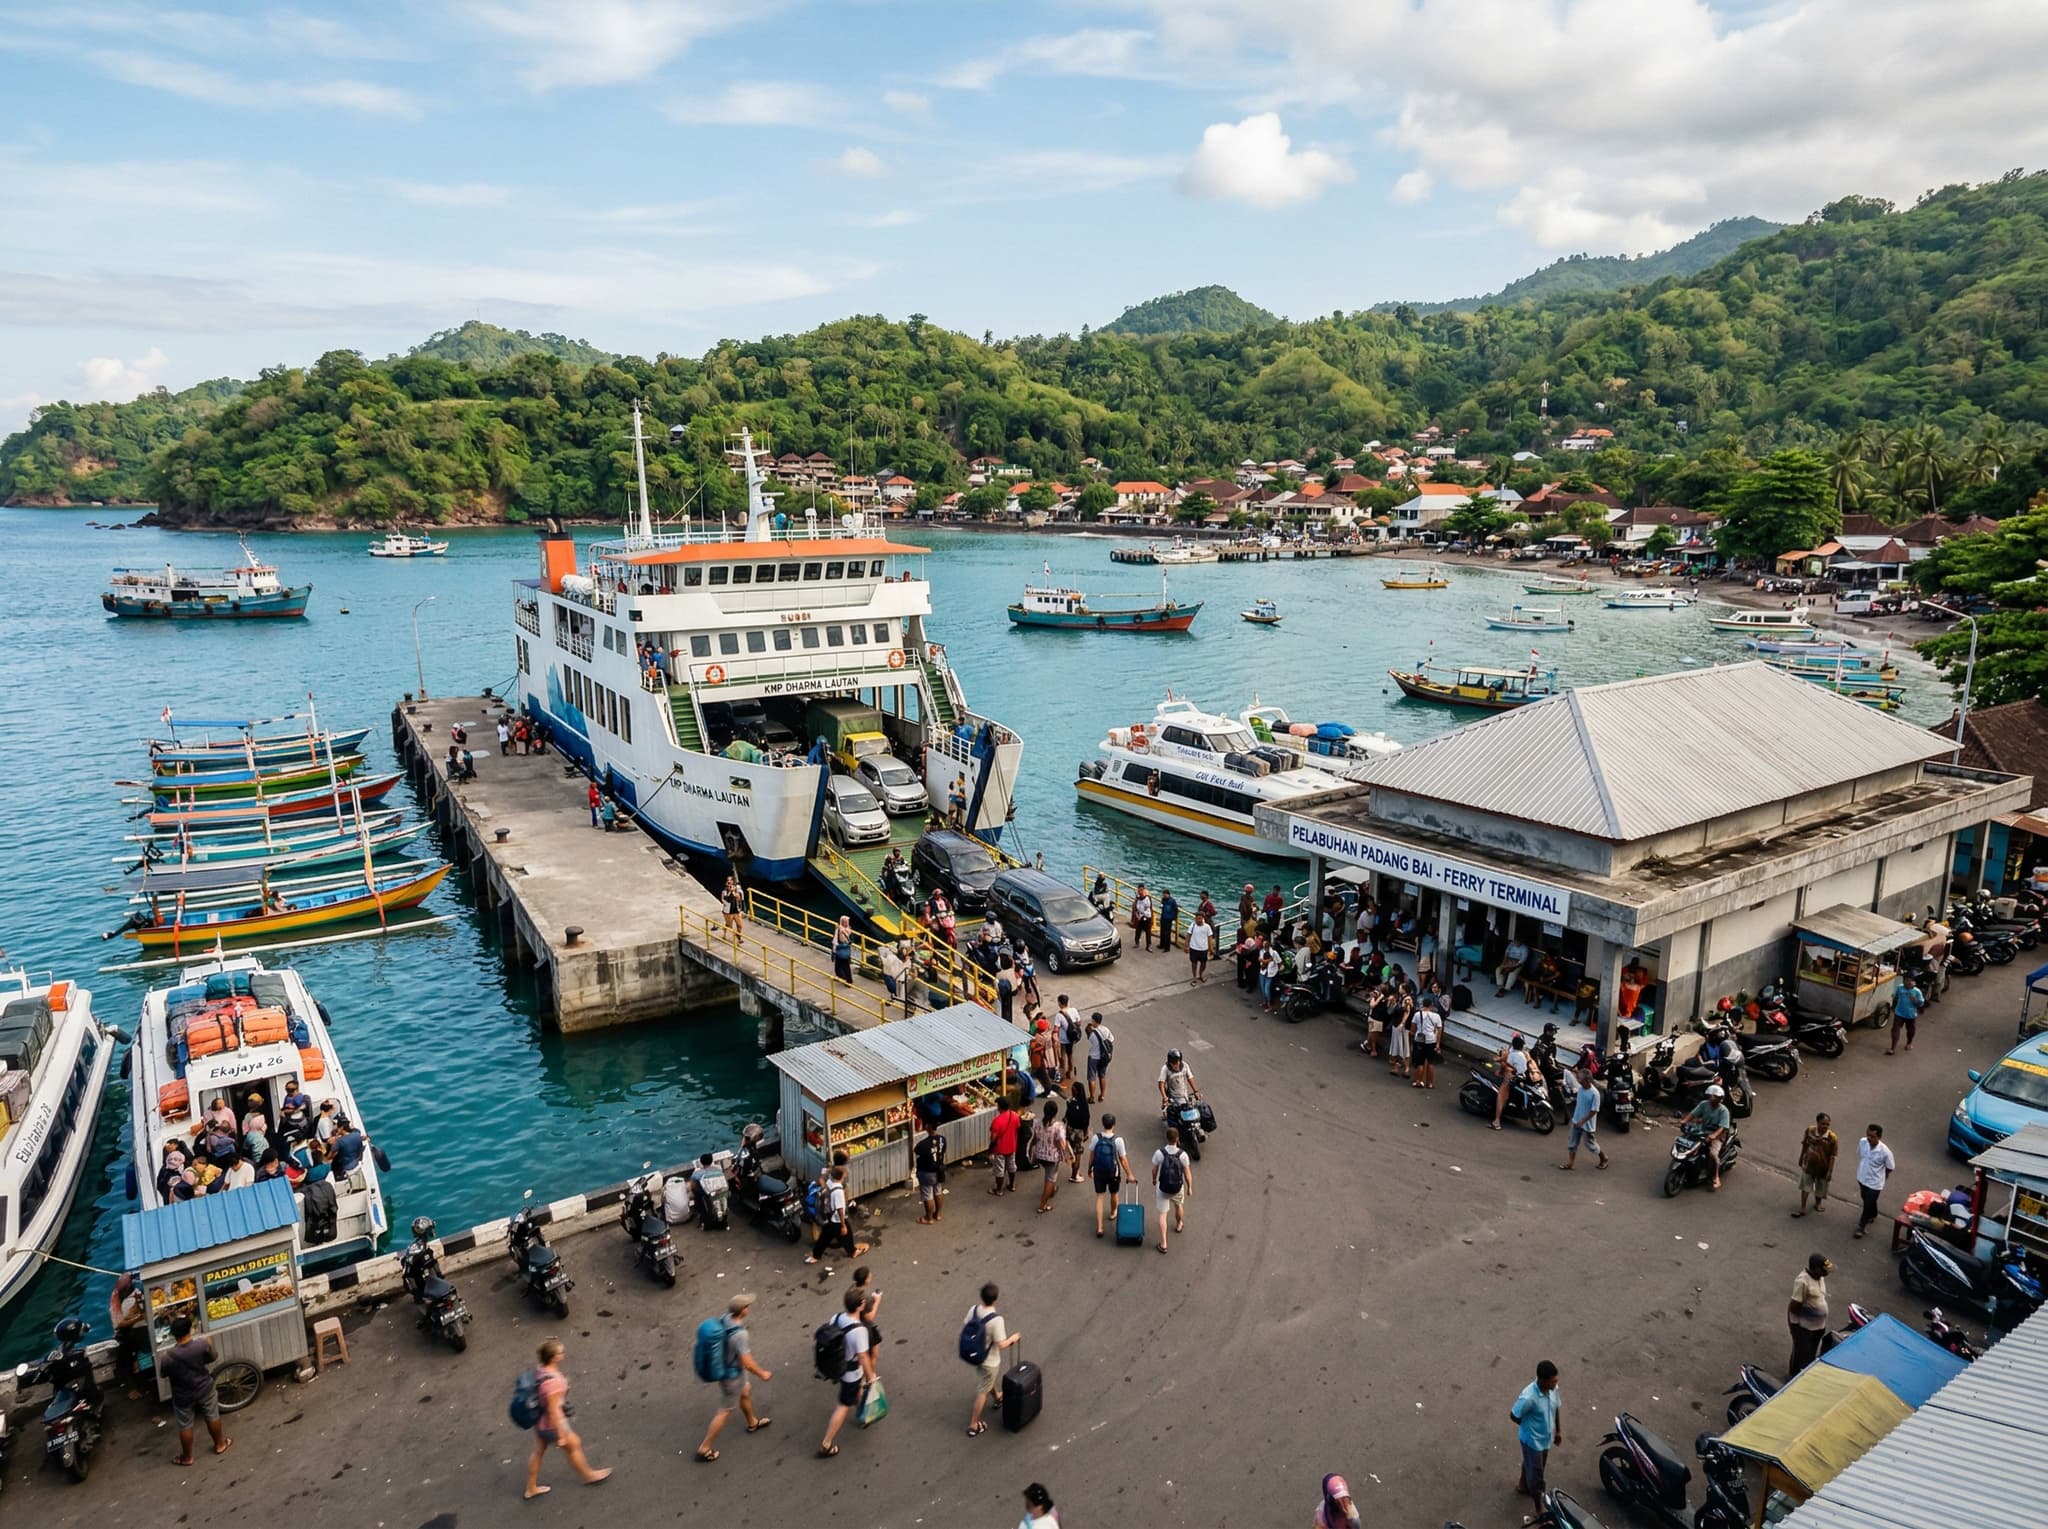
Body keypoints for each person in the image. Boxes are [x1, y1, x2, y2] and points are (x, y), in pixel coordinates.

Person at [695, 1293, 773, 1462]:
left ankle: (752, 1422)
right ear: (742, 1311)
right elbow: (747, 1362)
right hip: (732, 1376)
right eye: (747, 1306)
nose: (749, 1308)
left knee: (745, 1391)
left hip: (727, 1368)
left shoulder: (725, 1318)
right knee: (724, 1411)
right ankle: (705, 1447)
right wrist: (762, 1373)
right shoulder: (740, 1335)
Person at [164, 1312, 231, 1465]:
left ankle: (187, 1457)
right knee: (212, 1415)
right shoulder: (202, 1344)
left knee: (185, 1425)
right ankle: (220, 1444)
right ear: (189, 1329)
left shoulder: (168, 1356)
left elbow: (163, 1374)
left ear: (174, 1334)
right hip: (204, 1388)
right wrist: (209, 1344)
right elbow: (213, 1357)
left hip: (182, 1395)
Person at [817, 1287, 876, 1458]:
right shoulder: (859, 1331)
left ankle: (862, 1414)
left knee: (853, 1393)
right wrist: (870, 1376)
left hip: (838, 1366)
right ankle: (826, 1443)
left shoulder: (837, 1317)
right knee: (843, 1404)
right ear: (860, 1306)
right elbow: (863, 1357)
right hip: (851, 1372)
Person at [964, 1281, 1020, 1437]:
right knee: (983, 1390)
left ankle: (997, 1397)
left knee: (987, 1379)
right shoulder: (996, 1320)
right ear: (996, 1299)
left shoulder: (974, 1310)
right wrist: (1013, 1338)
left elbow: (967, 1325)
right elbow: (1001, 1344)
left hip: (976, 1355)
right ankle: (973, 1424)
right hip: (990, 1361)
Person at [1511, 1360, 1562, 1505]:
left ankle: (1523, 1485)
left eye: (1556, 1381)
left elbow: (1556, 1407)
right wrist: (1529, 1428)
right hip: (1532, 1441)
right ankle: (1539, 1509)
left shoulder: (1553, 1389)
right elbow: (1514, 1415)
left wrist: (1558, 1431)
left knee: (1532, 1463)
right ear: (1542, 1380)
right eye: (1552, 1382)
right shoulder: (1529, 1398)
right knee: (1537, 1477)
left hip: (1546, 1438)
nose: (1555, 1384)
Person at [807, 1165, 867, 1263]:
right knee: (846, 1235)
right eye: (844, 1175)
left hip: (829, 1215)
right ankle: (852, 1252)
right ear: (841, 1177)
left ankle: (816, 1255)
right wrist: (843, 1225)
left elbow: (823, 1182)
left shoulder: (830, 1182)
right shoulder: (838, 1191)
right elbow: (840, 1209)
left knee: (825, 1236)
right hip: (837, 1218)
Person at [1088, 1113, 1134, 1237]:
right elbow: (1123, 1160)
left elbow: (1092, 1155)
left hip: (1099, 1172)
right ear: (1114, 1125)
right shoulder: (1118, 1140)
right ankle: (1113, 1212)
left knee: (1100, 1197)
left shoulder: (1096, 1138)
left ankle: (1099, 1227)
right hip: (1113, 1173)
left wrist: (1090, 1169)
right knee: (1114, 1194)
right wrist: (1129, 1174)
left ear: (1103, 1124)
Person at [1788, 1254, 1832, 1374]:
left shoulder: (1820, 1278)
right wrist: (1796, 1329)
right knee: (1800, 1353)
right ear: (1816, 1268)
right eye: (1824, 1269)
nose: (1827, 1272)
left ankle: (1804, 1373)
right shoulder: (1802, 1281)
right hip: (1804, 1328)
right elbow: (1794, 1307)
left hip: (1818, 1327)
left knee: (1810, 1353)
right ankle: (1793, 1376)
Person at [1151, 1125, 1192, 1253]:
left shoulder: (1160, 1153)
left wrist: (1154, 1180)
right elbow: (1187, 1173)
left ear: (1166, 1138)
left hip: (1162, 1187)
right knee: (1178, 1205)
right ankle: (1179, 1224)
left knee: (1163, 1214)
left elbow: (1154, 1169)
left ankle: (1163, 1243)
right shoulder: (1183, 1155)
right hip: (1177, 1187)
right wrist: (1189, 1187)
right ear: (1177, 1139)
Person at [1685, 1084, 1733, 1191]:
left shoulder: (1724, 1111)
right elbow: (1693, 1114)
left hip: (1717, 1135)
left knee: (1713, 1154)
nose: (1711, 1098)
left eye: (1714, 1096)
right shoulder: (1704, 1104)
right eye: (1710, 1095)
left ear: (1719, 1099)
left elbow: (1722, 1127)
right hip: (1702, 1131)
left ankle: (1715, 1177)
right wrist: (1684, 1121)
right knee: (1688, 1142)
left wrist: (1715, 1135)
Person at [1560, 1065, 1608, 1169]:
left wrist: (1582, 1121)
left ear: (1586, 1080)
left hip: (1587, 1124)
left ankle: (1603, 1158)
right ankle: (1570, 1163)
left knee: (1591, 1145)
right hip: (1576, 1121)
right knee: (1572, 1143)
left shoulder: (1595, 1094)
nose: (1578, 1080)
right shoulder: (1581, 1088)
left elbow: (1594, 1111)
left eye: (1580, 1078)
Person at [109, 1271, 148, 1397]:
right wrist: (137, 1317)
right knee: (125, 1363)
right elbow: (119, 1324)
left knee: (134, 1360)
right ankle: (130, 1390)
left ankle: (138, 1384)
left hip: (134, 1332)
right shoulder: (116, 1298)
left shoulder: (135, 1293)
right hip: (125, 1335)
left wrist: (135, 1314)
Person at [1029, 1098, 1071, 1213]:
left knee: (1048, 1175)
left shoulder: (1037, 1122)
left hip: (1039, 1155)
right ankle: (1042, 1205)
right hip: (1052, 1158)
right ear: (1056, 1113)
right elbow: (1062, 1143)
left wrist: (1030, 1151)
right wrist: (1067, 1156)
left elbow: (1034, 1139)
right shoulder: (1059, 1126)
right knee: (1050, 1179)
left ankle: (1051, 1191)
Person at [1854, 1123, 1895, 1239]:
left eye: (1872, 1136)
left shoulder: (1885, 1152)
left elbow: (1890, 1167)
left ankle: (1861, 1227)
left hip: (1875, 1183)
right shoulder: (1863, 1142)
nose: (1869, 1138)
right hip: (1862, 1178)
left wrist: (1883, 1178)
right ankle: (1874, 1213)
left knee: (1867, 1204)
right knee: (1865, 1198)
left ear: (1879, 1137)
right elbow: (1861, 1156)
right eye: (1868, 1135)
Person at [1794, 1112, 1839, 1217]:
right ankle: (1803, 1207)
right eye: (1823, 1124)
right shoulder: (1810, 1130)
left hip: (1823, 1166)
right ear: (1817, 1123)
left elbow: (1833, 1156)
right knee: (1806, 1185)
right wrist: (1801, 1157)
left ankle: (1818, 1203)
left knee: (1820, 1186)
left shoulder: (1832, 1138)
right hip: (1809, 1163)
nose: (1825, 1126)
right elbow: (1805, 1144)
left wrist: (1830, 1171)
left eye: (1827, 1124)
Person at [1491, 1033, 1532, 1129]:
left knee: (1501, 1096)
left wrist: (1499, 1064)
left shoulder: (1511, 1054)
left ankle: (1496, 1121)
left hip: (1513, 1078)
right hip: (1523, 1077)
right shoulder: (1523, 1053)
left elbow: (1503, 1063)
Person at [914, 1118, 947, 1224]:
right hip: (939, 1171)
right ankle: (938, 1214)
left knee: (928, 1195)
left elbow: (916, 1151)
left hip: (927, 1172)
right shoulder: (942, 1139)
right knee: (938, 1191)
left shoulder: (923, 1144)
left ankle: (928, 1218)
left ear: (928, 1127)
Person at [989, 1096, 1022, 1195]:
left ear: (1000, 1107)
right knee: (1012, 1166)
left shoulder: (997, 1121)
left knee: (999, 1169)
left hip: (1000, 1149)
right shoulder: (1015, 1116)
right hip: (1012, 1146)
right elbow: (1017, 1128)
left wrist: (990, 1149)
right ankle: (1012, 1185)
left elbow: (993, 1138)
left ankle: (999, 1190)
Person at [1412, 990, 1443, 1089]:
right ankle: (1429, 1083)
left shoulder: (1417, 1014)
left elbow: (1413, 1028)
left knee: (1420, 1062)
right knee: (1430, 1062)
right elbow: (1439, 1031)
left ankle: (1418, 1081)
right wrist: (1438, 1044)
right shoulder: (1436, 1016)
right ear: (1431, 1005)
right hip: (1431, 1041)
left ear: (1423, 1004)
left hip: (1420, 1040)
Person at [1158, 1048, 1199, 1117]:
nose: (1177, 1064)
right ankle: (1165, 1115)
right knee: (1172, 1120)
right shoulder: (1165, 1069)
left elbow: (1190, 1078)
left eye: (1178, 1062)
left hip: (1184, 1096)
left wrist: (1196, 1091)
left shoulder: (1185, 1066)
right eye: (1175, 1063)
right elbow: (1161, 1084)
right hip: (1172, 1098)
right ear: (1170, 1063)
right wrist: (1165, 1097)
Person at [1887, 978, 1922, 1055]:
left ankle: (1909, 1043)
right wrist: (1894, 999)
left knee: (1911, 1031)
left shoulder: (1917, 991)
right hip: (1899, 1013)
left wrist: (1914, 999)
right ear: (1904, 981)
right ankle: (1892, 1048)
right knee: (1895, 1029)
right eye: (1906, 980)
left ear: (1914, 983)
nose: (1908, 982)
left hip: (1911, 1015)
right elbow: (1896, 996)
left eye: (1910, 981)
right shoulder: (1900, 987)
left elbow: (1921, 1003)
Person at [1085, 1013, 1113, 1102]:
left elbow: (1091, 1040)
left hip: (1094, 1057)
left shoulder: (1092, 1033)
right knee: (1102, 1076)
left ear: (1094, 1021)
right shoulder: (1106, 1029)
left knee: (1092, 1077)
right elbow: (1111, 1039)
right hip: (1104, 1057)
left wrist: (1089, 1029)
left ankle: (1092, 1097)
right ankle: (1102, 1095)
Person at [1187, 914, 1213, 985]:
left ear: (1203, 918)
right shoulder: (1192, 925)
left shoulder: (1207, 927)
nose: (1198, 920)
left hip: (1204, 949)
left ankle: (1201, 975)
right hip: (1193, 948)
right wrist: (1186, 946)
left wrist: (1210, 948)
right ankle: (1194, 977)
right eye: (1197, 918)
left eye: (1200, 918)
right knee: (1194, 964)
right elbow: (1188, 935)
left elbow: (1210, 938)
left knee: (1203, 964)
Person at [1260, 940, 1283, 1013]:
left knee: (1266, 990)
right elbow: (1260, 959)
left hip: (1270, 973)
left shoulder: (1274, 953)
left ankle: (1269, 1005)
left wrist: (1276, 970)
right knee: (1263, 988)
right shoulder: (1262, 951)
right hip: (1263, 972)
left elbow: (1279, 962)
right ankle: (1265, 1002)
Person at [722, 873, 745, 944]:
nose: (730, 884)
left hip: (736, 911)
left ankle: (739, 939)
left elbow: (740, 899)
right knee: (729, 926)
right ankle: (725, 931)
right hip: (728, 912)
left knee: (739, 926)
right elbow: (727, 900)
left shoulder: (737, 891)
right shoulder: (724, 892)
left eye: (731, 882)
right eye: (728, 882)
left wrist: (735, 892)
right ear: (726, 883)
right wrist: (731, 892)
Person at [831, 915, 855, 985]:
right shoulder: (849, 930)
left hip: (841, 950)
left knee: (845, 967)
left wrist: (836, 949)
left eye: (846, 922)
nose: (846, 923)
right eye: (845, 922)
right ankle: (841, 977)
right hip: (846, 950)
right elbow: (851, 940)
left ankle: (849, 981)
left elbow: (835, 941)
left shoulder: (839, 930)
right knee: (838, 966)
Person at [1131, 884, 1154, 951]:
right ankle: (1137, 942)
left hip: (1146, 916)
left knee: (1148, 932)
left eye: (1141, 890)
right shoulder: (1137, 899)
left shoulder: (1147, 898)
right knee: (1138, 930)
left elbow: (1149, 908)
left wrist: (1144, 915)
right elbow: (1135, 908)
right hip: (1139, 916)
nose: (1140, 892)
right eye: (1139, 890)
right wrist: (1136, 915)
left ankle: (1148, 946)